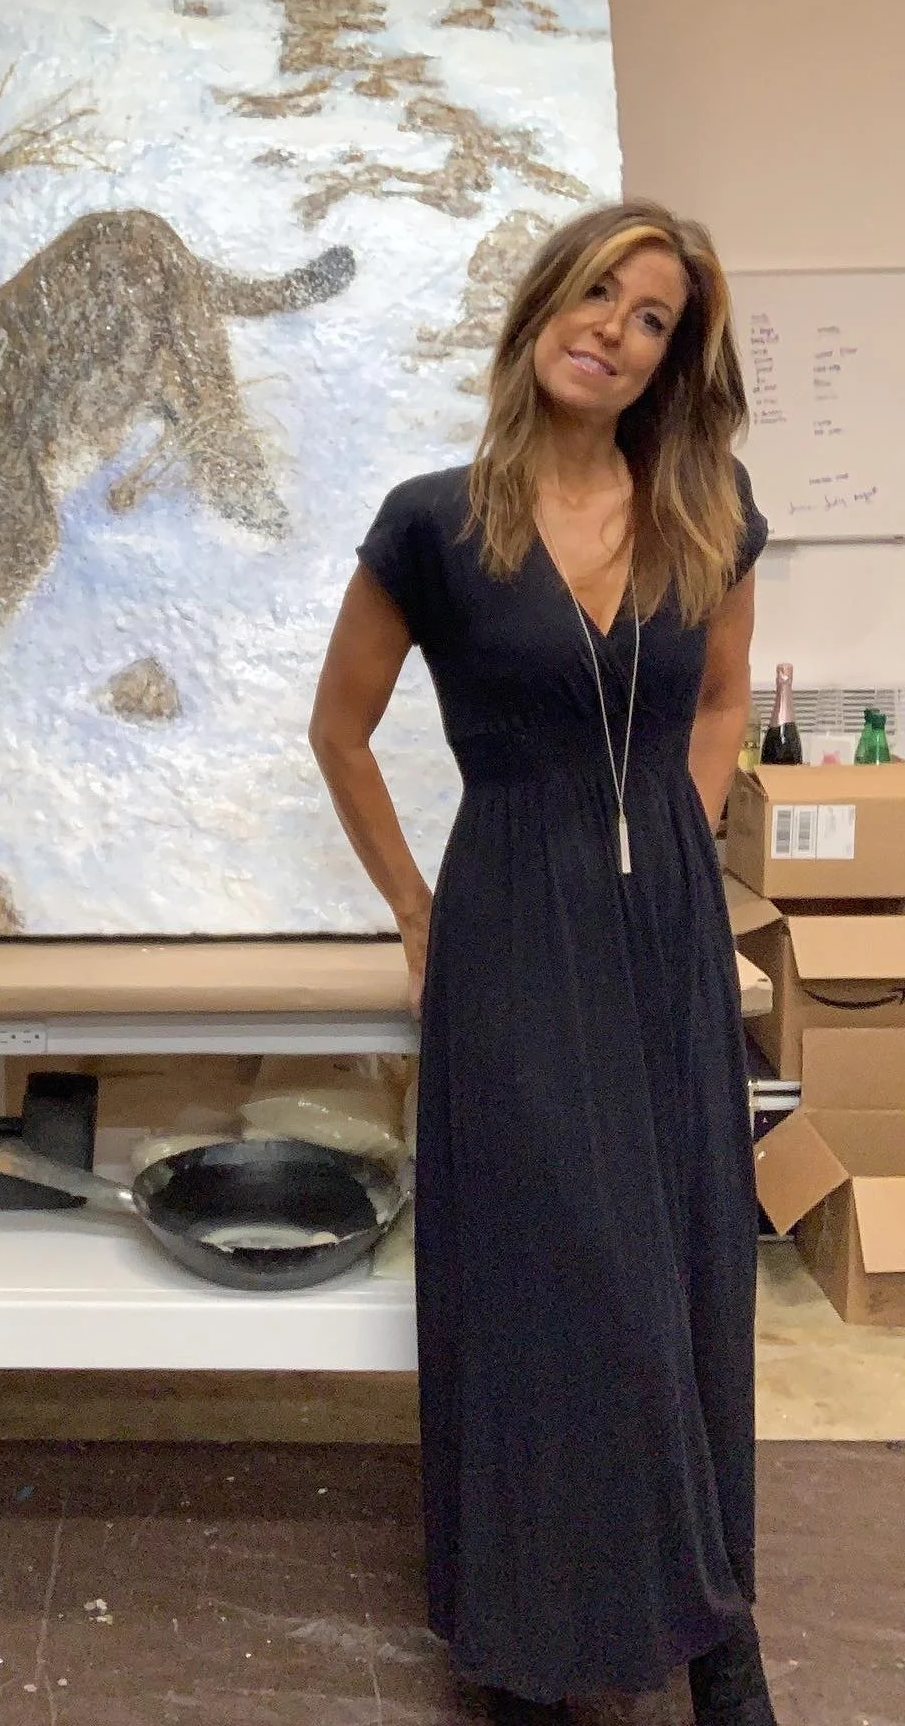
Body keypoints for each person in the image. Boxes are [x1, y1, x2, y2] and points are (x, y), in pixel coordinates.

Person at [309, 201, 777, 1726]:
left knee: (688, 1273)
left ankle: (716, 1628)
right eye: (598, 296)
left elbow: (720, 700)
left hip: (664, 933)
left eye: (653, 321)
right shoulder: (434, 524)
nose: (616, 333)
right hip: (510, 924)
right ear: (539, 311)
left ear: (670, 361)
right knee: (550, 1279)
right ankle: (529, 1631)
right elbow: (341, 730)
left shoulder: (711, 514)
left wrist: (672, 839)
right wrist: (413, 908)